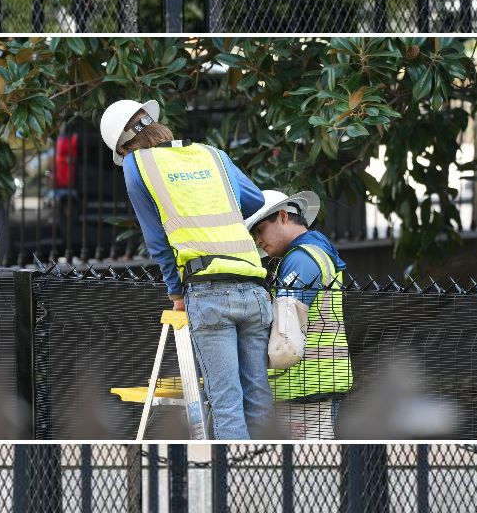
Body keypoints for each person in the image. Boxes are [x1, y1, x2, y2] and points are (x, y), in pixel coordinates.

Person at [101, 98, 273, 440]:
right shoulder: (212, 155)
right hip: (253, 286)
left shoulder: (137, 165)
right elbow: (255, 200)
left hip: (208, 292)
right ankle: (266, 475)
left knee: (225, 403)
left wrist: (176, 293)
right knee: (259, 398)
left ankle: (233, 485)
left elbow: (157, 241)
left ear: (124, 147)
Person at [245, 189, 354, 439]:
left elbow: (285, 334)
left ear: (283, 216)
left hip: (304, 386)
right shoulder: (316, 253)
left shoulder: (302, 259)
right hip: (313, 382)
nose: (257, 240)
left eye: (259, 229)